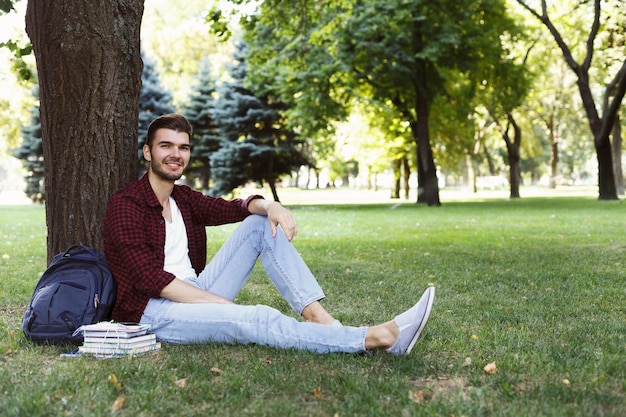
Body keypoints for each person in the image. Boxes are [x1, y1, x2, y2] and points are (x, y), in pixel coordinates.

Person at [103, 113, 435, 355]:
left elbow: (232, 208)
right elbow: (151, 280)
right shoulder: (126, 205)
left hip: (195, 291)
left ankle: (320, 320)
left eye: (183, 147)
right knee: (254, 318)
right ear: (148, 152)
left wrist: (269, 205)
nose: (175, 154)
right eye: (166, 146)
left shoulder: (182, 197)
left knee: (259, 223)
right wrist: (219, 303)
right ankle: (374, 338)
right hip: (154, 312)